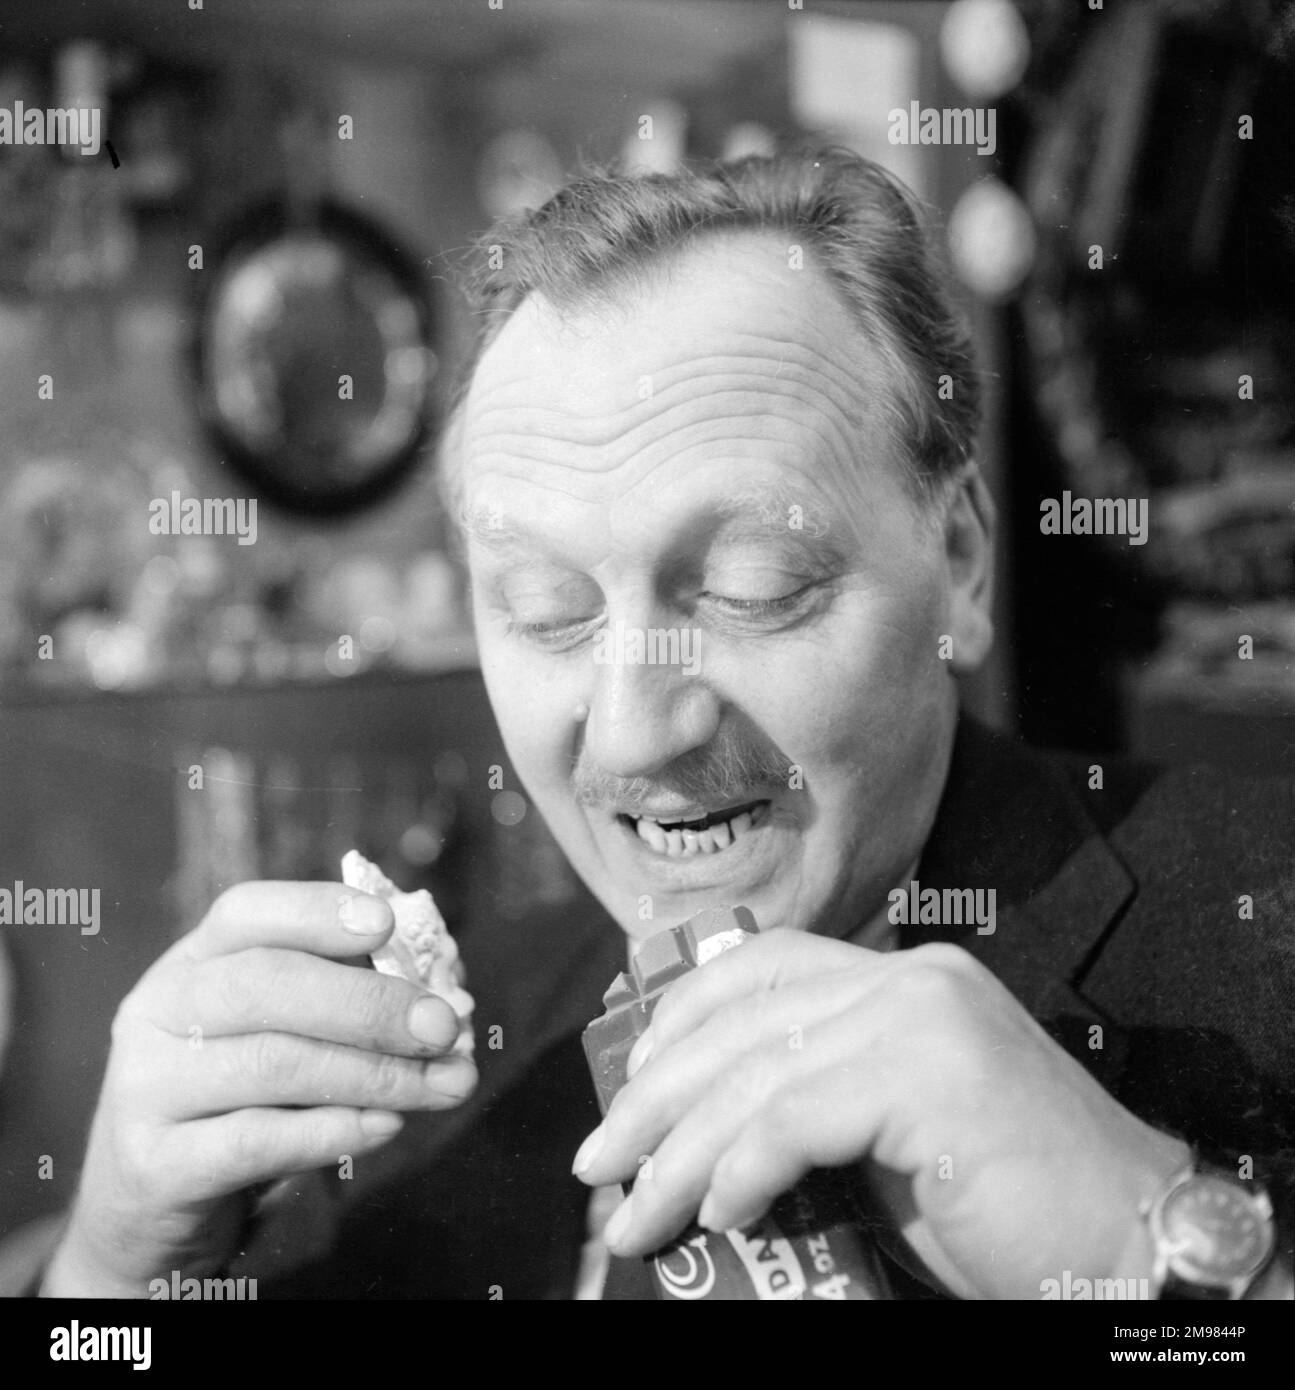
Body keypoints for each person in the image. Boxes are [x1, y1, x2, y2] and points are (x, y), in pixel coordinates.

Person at [29, 149, 1295, 1300]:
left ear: (958, 560)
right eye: (544, 613)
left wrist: (1153, 1254)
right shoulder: (421, 1075)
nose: (635, 734)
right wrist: (105, 1277)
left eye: (754, 589)